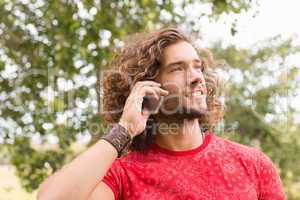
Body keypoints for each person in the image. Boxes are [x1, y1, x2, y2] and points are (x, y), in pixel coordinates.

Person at [37, 27, 285, 200]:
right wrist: (124, 129)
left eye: (197, 67)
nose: (197, 77)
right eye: (178, 69)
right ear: (147, 88)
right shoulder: (124, 175)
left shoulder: (253, 164)